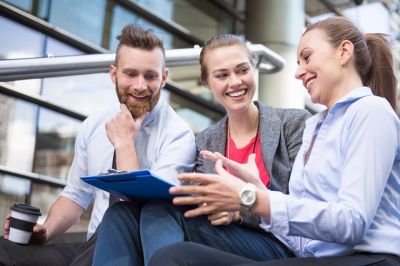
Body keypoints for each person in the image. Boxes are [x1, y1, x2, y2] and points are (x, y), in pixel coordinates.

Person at [148, 16, 400, 266]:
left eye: (307, 57)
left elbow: (351, 222)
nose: (298, 72)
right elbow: (301, 240)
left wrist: (250, 198)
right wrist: (258, 191)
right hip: (315, 257)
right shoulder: (316, 127)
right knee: (171, 256)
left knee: (175, 258)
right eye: (298, 61)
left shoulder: (370, 111)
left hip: (368, 260)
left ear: (344, 51)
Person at [92, 34, 310, 265]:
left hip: (279, 245)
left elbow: (306, 204)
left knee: (160, 211)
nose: (235, 81)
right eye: (222, 75)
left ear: (254, 69)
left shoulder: (293, 124)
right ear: (208, 83)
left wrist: (241, 210)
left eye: (242, 70)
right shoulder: (205, 141)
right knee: (121, 214)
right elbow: (200, 204)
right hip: (222, 240)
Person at [0, 24, 196, 266]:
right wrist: (45, 231)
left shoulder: (179, 135)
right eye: (130, 74)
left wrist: (124, 143)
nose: (140, 85)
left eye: (150, 76)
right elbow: (75, 195)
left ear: (164, 78)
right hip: (90, 247)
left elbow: (135, 216)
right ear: (113, 74)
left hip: (135, 252)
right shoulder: (93, 124)